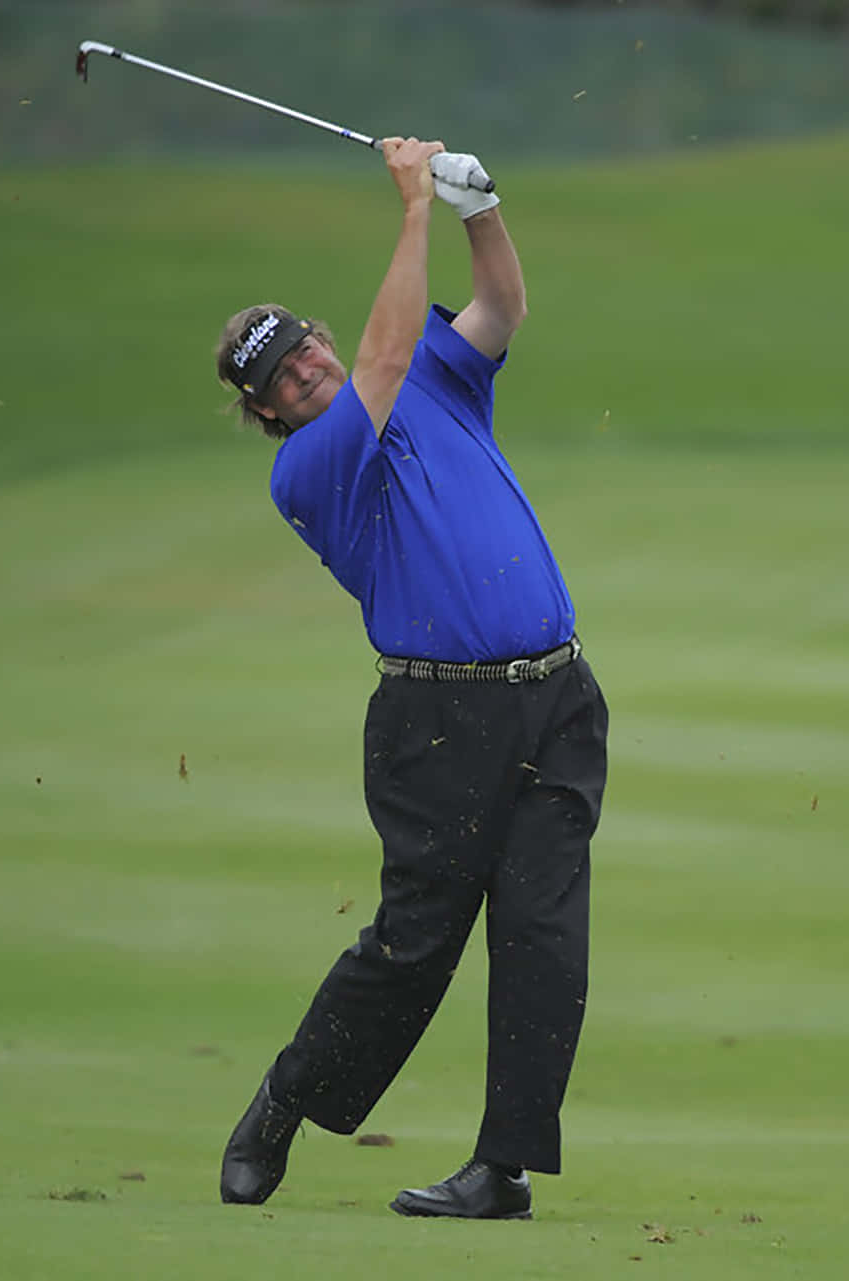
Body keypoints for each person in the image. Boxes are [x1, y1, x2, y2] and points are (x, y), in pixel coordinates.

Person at [210, 137, 609, 1221]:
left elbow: (502, 312)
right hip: (439, 718)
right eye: (279, 382)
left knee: (542, 935)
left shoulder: (433, 371)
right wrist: (411, 214)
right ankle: (285, 1102)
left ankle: (503, 1169)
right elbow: (378, 369)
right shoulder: (315, 465)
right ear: (269, 415)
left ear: (319, 340)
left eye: (302, 353)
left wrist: (482, 211)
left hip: (559, 698)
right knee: (416, 944)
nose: (303, 374)